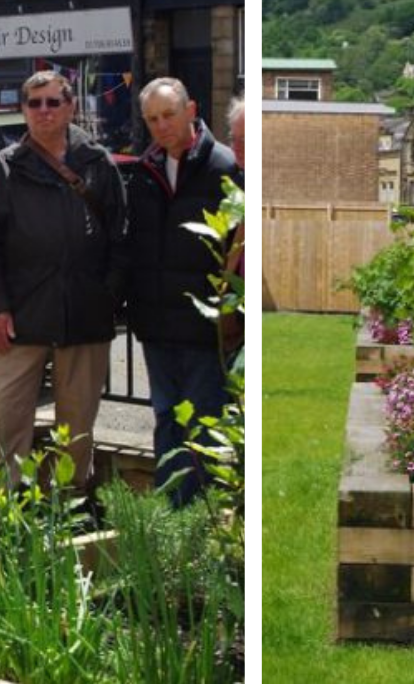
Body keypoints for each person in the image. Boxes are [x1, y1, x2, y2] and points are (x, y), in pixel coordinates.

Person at [0, 70, 128, 489]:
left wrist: (106, 297)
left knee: (76, 428)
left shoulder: (98, 164)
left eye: (52, 102)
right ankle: (5, 511)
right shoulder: (4, 169)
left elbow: (120, 240)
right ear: (23, 110)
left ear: (70, 106)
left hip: (84, 317)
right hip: (19, 318)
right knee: (4, 419)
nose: (43, 111)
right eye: (34, 103)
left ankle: (70, 509)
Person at [125, 77, 240, 506]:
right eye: (152, 119)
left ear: (191, 110)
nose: (161, 125)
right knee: (165, 421)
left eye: (169, 115)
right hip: (157, 326)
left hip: (202, 327)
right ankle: (172, 512)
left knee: (205, 427)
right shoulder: (145, 171)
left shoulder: (223, 168)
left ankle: (201, 517)